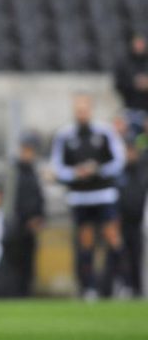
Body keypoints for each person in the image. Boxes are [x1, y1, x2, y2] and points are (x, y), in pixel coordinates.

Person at [51, 93, 128, 299]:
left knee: (113, 237)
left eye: (84, 110)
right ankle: (90, 287)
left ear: (91, 110)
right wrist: (75, 173)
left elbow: (119, 160)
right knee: (86, 242)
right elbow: (57, 166)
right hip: (80, 196)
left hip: (104, 194)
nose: (81, 114)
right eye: (78, 110)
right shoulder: (65, 135)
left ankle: (122, 283)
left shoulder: (105, 132)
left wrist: (98, 170)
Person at [13, 133, 46, 297]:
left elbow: (39, 199)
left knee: (29, 262)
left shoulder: (33, 173)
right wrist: (25, 219)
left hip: (32, 227)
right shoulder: (14, 173)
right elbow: (16, 200)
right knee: (16, 262)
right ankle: (16, 293)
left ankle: (26, 292)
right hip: (17, 225)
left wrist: (39, 218)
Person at [117, 138, 147, 296]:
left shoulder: (142, 172)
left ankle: (139, 289)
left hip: (139, 222)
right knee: (121, 256)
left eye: (131, 151)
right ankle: (125, 286)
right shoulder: (119, 172)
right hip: (121, 222)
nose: (129, 155)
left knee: (138, 256)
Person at [114, 34, 148, 136]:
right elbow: (118, 84)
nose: (139, 46)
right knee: (131, 138)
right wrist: (134, 84)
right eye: (137, 43)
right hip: (131, 109)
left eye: (141, 43)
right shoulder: (124, 63)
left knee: (144, 142)